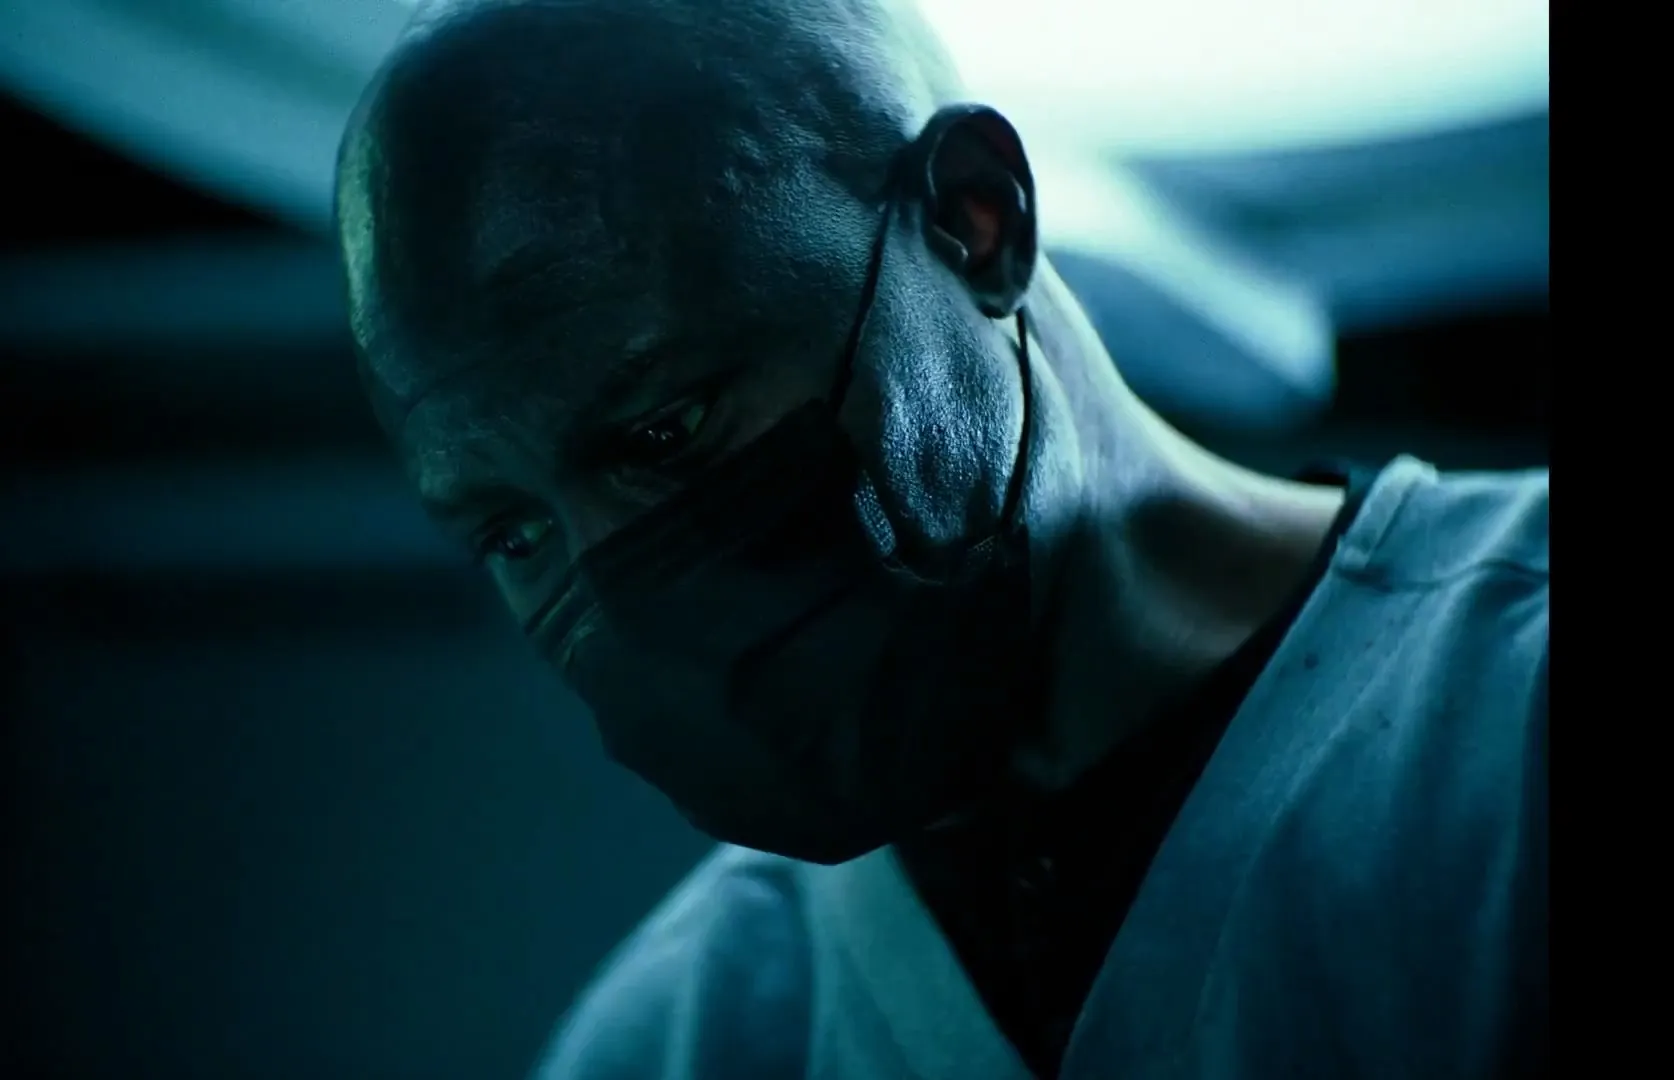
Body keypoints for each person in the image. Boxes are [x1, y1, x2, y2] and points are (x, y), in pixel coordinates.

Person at [334, 1, 1549, 1077]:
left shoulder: (1505, 716)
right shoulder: (697, 1033)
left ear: (977, 219)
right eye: (513, 533)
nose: (622, 590)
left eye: (667, 431)